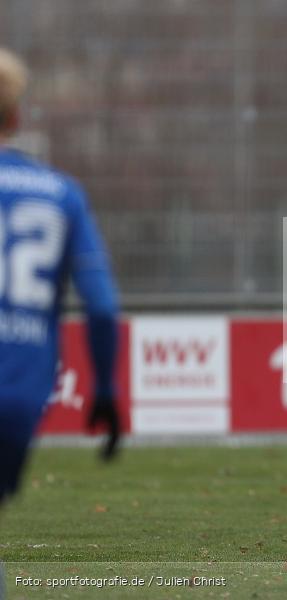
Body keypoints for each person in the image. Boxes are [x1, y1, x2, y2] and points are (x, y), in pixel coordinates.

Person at [0, 46, 121, 509]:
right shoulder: (61, 194)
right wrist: (106, 389)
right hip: (19, 395)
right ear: (15, 116)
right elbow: (103, 308)